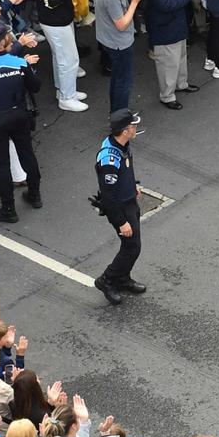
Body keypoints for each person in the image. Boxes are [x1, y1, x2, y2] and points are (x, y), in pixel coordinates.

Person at [0, 23, 43, 223]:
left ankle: (8, 209)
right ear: (6, 41)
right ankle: (35, 195)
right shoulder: (19, 63)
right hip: (20, 115)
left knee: (3, 165)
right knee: (27, 155)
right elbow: (36, 86)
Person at [94, 109, 146, 305]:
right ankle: (107, 280)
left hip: (129, 200)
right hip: (121, 208)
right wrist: (121, 221)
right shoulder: (109, 158)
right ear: (125, 131)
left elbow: (126, 169)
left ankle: (123, 278)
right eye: (133, 126)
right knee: (132, 247)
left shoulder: (123, 145)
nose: (135, 129)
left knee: (131, 246)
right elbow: (108, 195)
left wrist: (133, 185)